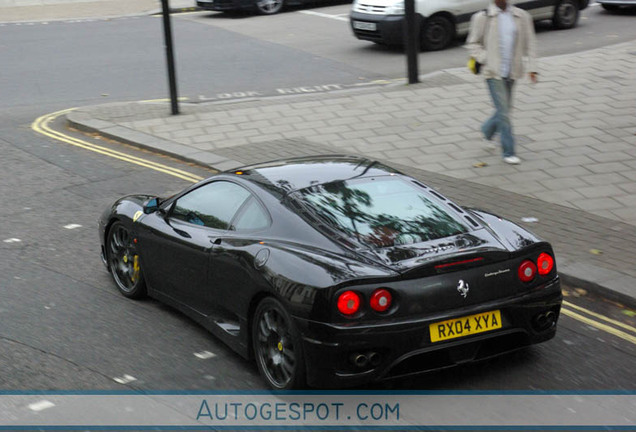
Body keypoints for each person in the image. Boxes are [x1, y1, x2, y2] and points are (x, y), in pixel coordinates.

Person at [466, 0, 538, 165]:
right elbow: (472, 43)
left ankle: (487, 130)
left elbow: (531, 43)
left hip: (512, 71)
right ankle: (508, 151)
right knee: (504, 113)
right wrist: (486, 59)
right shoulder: (483, 17)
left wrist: (532, 68)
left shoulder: (522, 16)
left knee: (504, 109)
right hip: (493, 73)